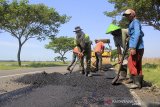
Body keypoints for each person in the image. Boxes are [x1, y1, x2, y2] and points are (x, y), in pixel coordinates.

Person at [123, 9, 144, 89]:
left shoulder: (135, 22)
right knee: (137, 64)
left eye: (128, 14)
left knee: (131, 63)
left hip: (137, 47)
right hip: (138, 47)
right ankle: (137, 82)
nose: (127, 16)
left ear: (133, 14)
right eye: (126, 15)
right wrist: (129, 37)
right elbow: (141, 33)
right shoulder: (132, 23)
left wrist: (133, 47)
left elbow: (138, 33)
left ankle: (136, 82)